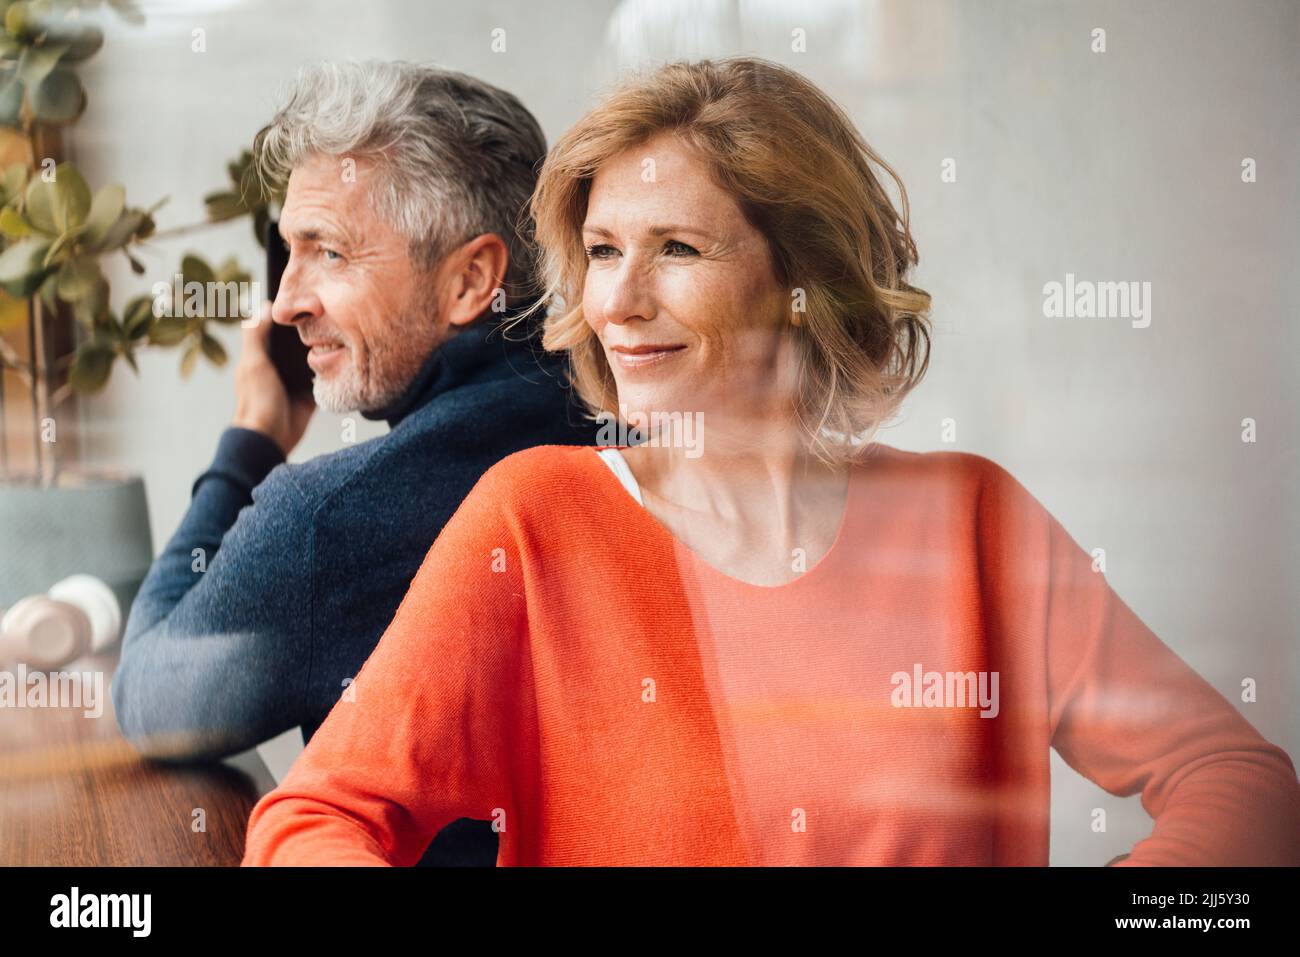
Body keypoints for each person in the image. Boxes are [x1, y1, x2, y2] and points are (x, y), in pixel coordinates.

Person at [240, 57, 1300, 866]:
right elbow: (313, 819)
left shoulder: (970, 520)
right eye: (603, 251)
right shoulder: (536, 518)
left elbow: (1237, 782)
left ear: (803, 277)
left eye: (678, 250)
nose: (616, 302)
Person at [112, 60, 598, 866]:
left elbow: (155, 701)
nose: (287, 301)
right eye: (287, 253)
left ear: (472, 278)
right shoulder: (625, 428)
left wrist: (251, 439)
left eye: (328, 253)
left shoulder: (328, 519)